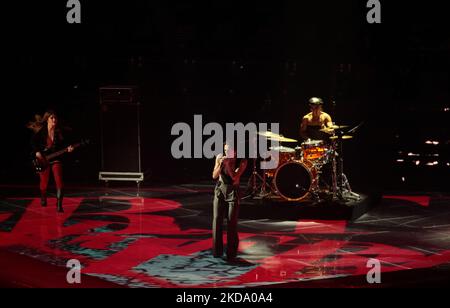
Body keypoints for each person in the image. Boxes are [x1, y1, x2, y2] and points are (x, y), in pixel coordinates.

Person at [27, 111, 73, 212]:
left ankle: (59, 205)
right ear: (47, 119)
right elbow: (33, 142)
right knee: (44, 182)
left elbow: (64, 144)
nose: (54, 120)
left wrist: (68, 148)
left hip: (56, 159)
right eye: (51, 118)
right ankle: (43, 196)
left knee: (59, 181)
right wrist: (37, 152)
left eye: (55, 118)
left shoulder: (59, 132)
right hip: (43, 160)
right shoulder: (42, 131)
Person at [212, 142, 247, 261]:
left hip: (233, 191)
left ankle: (231, 253)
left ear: (235, 151)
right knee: (217, 220)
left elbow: (234, 177)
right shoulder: (220, 157)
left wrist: (227, 164)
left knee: (231, 222)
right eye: (225, 150)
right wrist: (219, 164)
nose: (226, 153)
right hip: (220, 190)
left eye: (229, 151)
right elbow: (214, 176)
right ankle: (217, 251)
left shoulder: (241, 161)